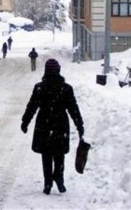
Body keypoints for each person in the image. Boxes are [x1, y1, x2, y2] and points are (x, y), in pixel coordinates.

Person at [21, 58, 85, 195]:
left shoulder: (40, 88)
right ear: (59, 71)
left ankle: (48, 182)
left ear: (45, 71)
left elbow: (32, 106)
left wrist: (25, 121)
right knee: (59, 153)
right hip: (60, 124)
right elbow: (73, 108)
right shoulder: (66, 88)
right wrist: (79, 125)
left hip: (44, 123)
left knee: (46, 155)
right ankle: (59, 177)